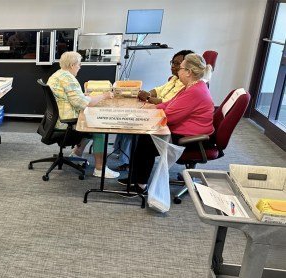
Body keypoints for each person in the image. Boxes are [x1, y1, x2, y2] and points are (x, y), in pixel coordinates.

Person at [120, 53, 214, 192]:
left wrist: (147, 114)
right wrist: (152, 108)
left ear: (188, 72)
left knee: (146, 141)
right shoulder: (192, 86)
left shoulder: (195, 91)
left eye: (180, 68)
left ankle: (140, 185)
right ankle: (136, 178)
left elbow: (170, 116)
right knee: (144, 137)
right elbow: (170, 104)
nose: (177, 70)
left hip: (191, 140)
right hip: (187, 132)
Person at [115, 50, 196, 171]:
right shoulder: (174, 79)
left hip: (175, 128)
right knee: (128, 121)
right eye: (172, 63)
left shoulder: (189, 87)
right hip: (162, 113)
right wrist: (148, 94)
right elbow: (158, 90)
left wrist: (148, 98)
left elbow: (169, 104)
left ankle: (133, 170)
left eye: (178, 64)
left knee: (137, 129)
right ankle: (125, 158)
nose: (173, 66)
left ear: (188, 69)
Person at [47, 51, 120, 178]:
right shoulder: (69, 79)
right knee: (99, 129)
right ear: (72, 65)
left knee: (89, 120)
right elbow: (86, 104)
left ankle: (76, 153)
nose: (80, 67)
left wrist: (83, 96)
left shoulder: (57, 75)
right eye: (79, 65)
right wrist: (104, 95)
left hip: (57, 119)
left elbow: (72, 98)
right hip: (66, 122)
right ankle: (100, 169)